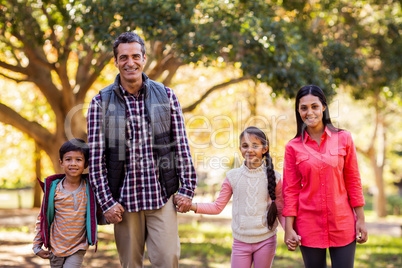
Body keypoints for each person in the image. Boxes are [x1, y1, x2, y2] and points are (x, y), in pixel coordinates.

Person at [87, 31, 197, 268]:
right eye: (123, 58)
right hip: (123, 201)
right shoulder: (100, 102)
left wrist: (187, 188)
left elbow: (181, 146)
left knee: (169, 260)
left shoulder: (166, 96)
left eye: (135, 56)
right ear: (115, 62)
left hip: (161, 195)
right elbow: (96, 161)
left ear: (144, 58)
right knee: (130, 264)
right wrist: (106, 202)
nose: (130, 62)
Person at [282, 85, 368, 268]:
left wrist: (360, 219)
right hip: (308, 226)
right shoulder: (292, 147)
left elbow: (353, 181)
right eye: (303, 108)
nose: (309, 112)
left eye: (314, 106)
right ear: (298, 111)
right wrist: (288, 228)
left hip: (342, 223)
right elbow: (290, 191)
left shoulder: (344, 138)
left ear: (323, 107)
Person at [176, 126, 285, 268]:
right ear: (240, 149)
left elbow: (281, 209)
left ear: (264, 149)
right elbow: (217, 207)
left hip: (266, 241)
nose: (249, 150)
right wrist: (192, 206)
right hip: (240, 242)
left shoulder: (275, 178)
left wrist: (290, 233)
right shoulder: (233, 177)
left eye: (255, 145)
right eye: (245, 146)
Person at [32, 139, 98, 268]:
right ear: (61, 162)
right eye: (68, 159)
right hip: (55, 247)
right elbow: (42, 217)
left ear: (86, 164)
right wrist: (36, 246)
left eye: (78, 160)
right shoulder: (53, 190)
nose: (73, 163)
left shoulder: (90, 189)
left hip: (78, 246)